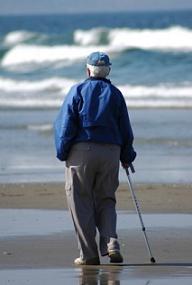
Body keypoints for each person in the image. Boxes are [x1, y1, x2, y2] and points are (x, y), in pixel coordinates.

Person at [54, 51, 136, 265]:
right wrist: (127, 155)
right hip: (111, 152)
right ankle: (111, 243)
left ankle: (89, 255)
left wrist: (62, 152)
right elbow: (125, 128)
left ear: (87, 69)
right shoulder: (116, 94)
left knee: (80, 200)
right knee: (106, 199)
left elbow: (65, 125)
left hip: (82, 151)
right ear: (108, 70)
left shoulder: (78, 90)